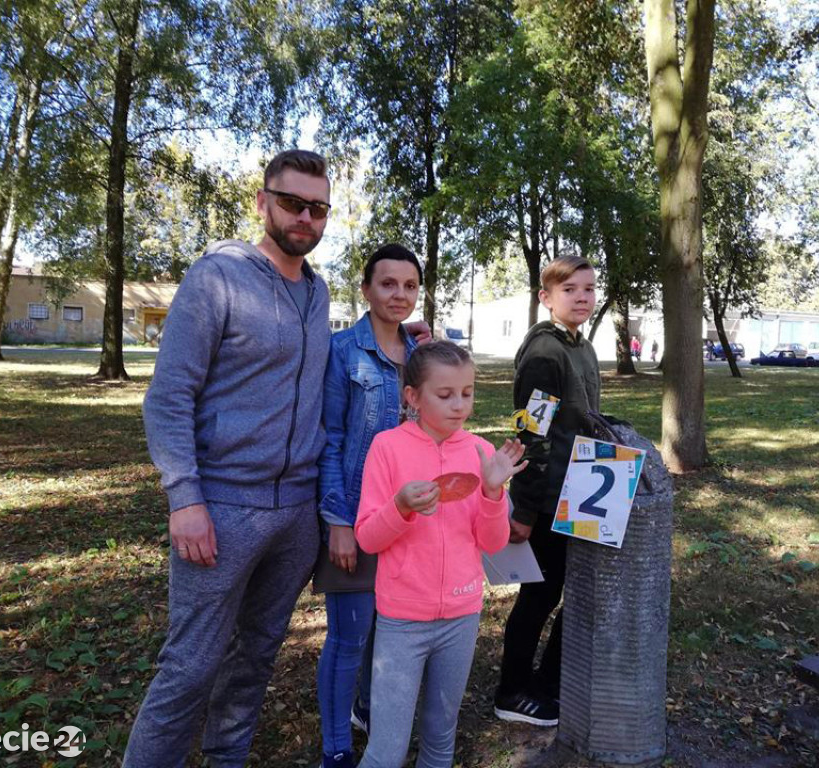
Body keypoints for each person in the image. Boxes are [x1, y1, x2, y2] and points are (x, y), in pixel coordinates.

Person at [124, 149, 336, 768]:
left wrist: (403, 339)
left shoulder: (319, 293)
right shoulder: (217, 276)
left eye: (318, 208)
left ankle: (226, 758)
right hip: (221, 509)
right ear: (263, 201)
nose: (305, 217)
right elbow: (168, 397)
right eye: (293, 202)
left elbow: (326, 368)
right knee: (189, 667)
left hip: (296, 515)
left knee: (257, 657)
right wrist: (184, 499)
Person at [354, 341, 525, 768]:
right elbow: (367, 539)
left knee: (440, 736)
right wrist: (400, 508)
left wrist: (491, 491)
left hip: (462, 616)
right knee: (386, 749)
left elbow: (492, 543)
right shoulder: (387, 448)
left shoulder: (482, 453)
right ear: (412, 397)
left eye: (467, 393)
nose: (459, 405)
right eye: (445, 395)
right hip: (402, 621)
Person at [316, 244, 423, 768]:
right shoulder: (342, 352)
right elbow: (330, 439)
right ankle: (336, 747)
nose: (398, 294)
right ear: (366, 290)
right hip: (357, 517)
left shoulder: (422, 356)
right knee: (350, 635)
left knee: (391, 630)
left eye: (409, 285)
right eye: (388, 284)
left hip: (409, 521)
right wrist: (337, 521)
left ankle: (366, 708)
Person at [494, 255, 600, 727]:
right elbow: (532, 433)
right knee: (539, 595)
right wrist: (525, 508)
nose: (581, 297)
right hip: (549, 496)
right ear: (546, 297)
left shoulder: (582, 345)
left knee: (575, 591)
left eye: (589, 289)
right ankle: (512, 689)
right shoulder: (544, 352)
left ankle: (551, 682)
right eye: (570, 289)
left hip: (583, 489)